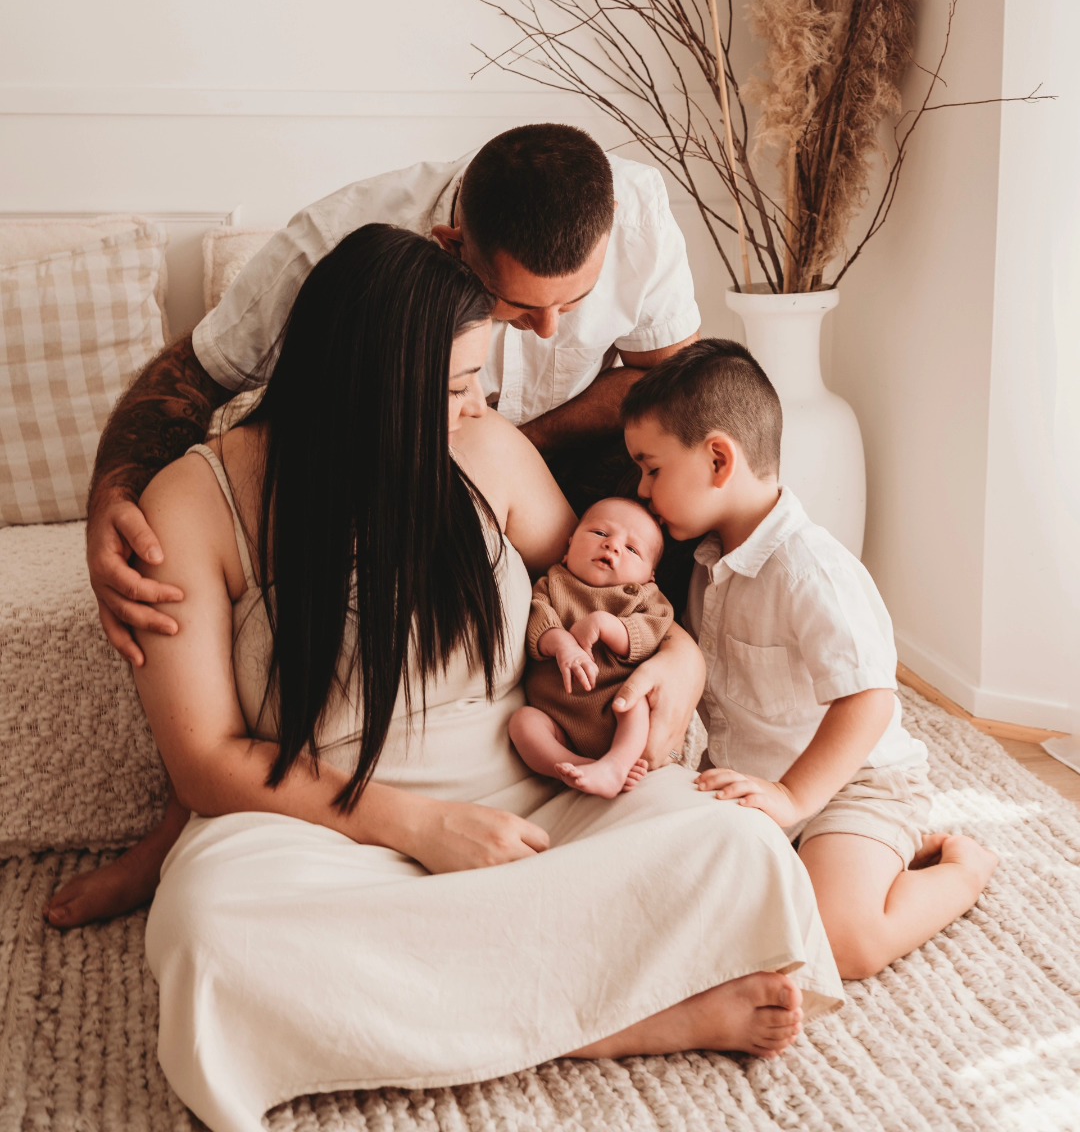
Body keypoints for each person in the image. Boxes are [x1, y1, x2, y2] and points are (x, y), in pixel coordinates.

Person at [105, 227, 839, 1131]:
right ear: (366, 379)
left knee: (739, 844)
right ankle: (602, 1020)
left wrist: (681, 657)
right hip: (318, 824)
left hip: (531, 793)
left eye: (477, 383)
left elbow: (605, 581)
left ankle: (460, 1013)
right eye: (453, 388)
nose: (476, 407)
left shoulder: (485, 451)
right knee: (212, 935)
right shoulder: (199, 498)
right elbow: (205, 759)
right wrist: (420, 825)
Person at [48, 123, 703, 928]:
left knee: (724, 850)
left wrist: (680, 658)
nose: (550, 333)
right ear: (453, 245)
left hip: (572, 450)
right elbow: (190, 378)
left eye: (572, 303)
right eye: (519, 310)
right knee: (213, 929)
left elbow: (604, 562)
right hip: (339, 808)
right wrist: (112, 498)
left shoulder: (493, 425)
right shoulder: (321, 255)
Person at [622, 339, 999, 981]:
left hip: (855, 783)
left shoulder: (809, 569)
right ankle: (840, 852)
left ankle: (962, 866)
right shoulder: (705, 561)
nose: (640, 487)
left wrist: (795, 797)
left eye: (652, 468)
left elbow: (871, 700)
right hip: (757, 783)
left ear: (719, 459)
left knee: (842, 939)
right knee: (661, 883)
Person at [510, 497, 679, 797]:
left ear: (650, 575)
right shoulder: (553, 583)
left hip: (611, 709)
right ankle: (577, 765)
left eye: (632, 549)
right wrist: (562, 643)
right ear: (568, 546)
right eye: (600, 533)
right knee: (522, 724)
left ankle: (617, 761)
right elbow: (539, 619)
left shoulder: (645, 598)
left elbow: (652, 631)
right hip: (555, 716)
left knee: (635, 704)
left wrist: (607, 624)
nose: (612, 546)